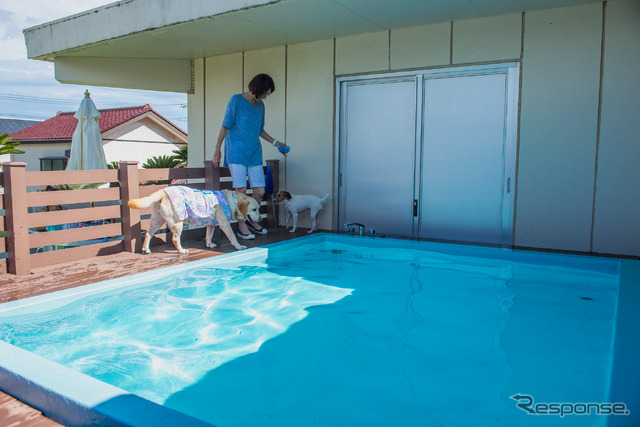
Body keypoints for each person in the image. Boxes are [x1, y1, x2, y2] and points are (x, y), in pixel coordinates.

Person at [212, 73, 288, 240]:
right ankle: (241, 225)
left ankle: (250, 218)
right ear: (257, 89)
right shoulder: (236, 100)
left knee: (260, 191)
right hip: (237, 152)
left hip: (254, 153)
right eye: (266, 93)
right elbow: (225, 126)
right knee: (240, 190)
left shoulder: (260, 106)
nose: (266, 97)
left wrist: (276, 142)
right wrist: (217, 150)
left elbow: (260, 130)